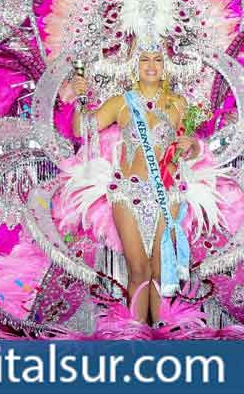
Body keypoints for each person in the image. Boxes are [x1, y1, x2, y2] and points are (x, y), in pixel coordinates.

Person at [69, 50, 200, 325]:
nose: (151, 66)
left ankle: (161, 340)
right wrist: (77, 98)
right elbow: (82, 129)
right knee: (138, 269)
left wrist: (192, 147)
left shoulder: (179, 105)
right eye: (144, 59)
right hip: (128, 194)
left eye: (157, 60)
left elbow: (191, 144)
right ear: (134, 64)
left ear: (166, 66)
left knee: (160, 271)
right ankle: (135, 339)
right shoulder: (120, 103)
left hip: (167, 193)